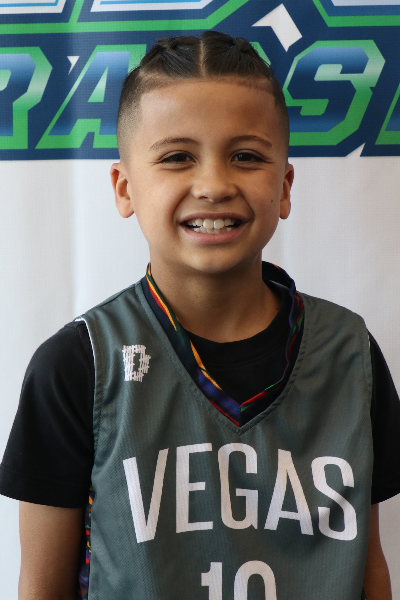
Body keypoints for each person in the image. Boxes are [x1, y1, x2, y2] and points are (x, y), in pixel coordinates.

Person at [1, 31, 399, 600]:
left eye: (246, 156)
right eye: (177, 157)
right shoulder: (78, 364)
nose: (213, 185)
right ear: (124, 188)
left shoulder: (348, 352)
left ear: (284, 186)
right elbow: (41, 586)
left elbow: (368, 566)